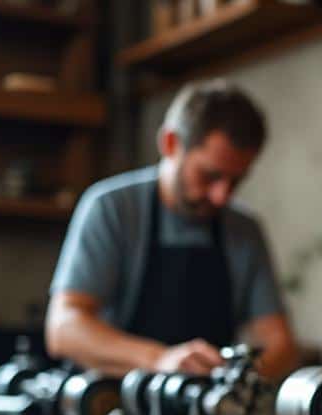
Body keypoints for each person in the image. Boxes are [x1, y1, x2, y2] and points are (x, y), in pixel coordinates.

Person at [45, 80, 297, 379]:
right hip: (113, 406)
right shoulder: (112, 209)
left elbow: (279, 343)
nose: (221, 195)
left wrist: (236, 385)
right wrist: (159, 359)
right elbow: (63, 329)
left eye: (236, 181)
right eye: (210, 175)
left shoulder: (244, 229)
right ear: (170, 143)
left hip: (207, 412)